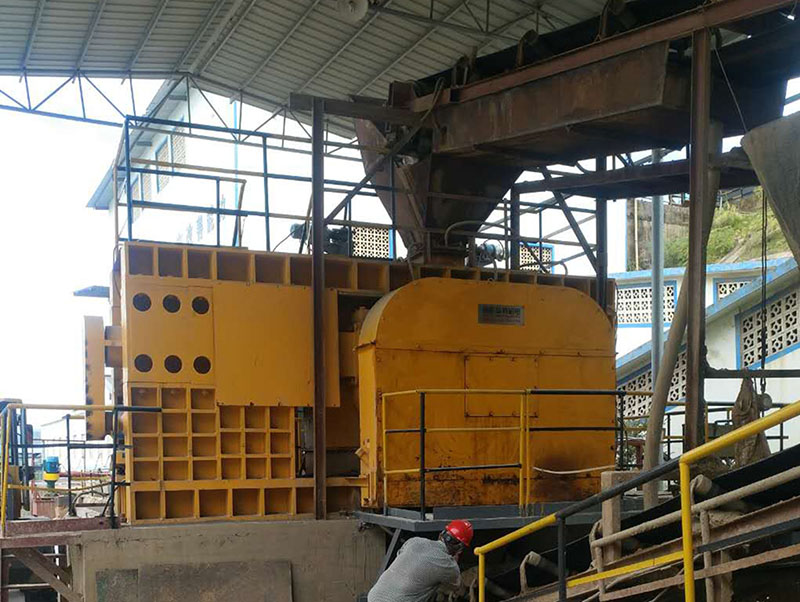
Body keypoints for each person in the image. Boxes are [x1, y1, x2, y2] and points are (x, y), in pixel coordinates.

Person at [368, 519, 474, 602]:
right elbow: (455, 586)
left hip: (374, 597)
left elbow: (400, 555)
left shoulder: (415, 541)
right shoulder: (448, 565)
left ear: (441, 534)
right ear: (460, 549)